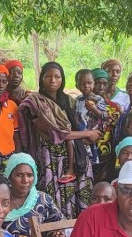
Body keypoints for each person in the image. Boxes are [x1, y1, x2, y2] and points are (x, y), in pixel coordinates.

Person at [18, 62, 99, 218]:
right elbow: (56, 134)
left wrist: (87, 135)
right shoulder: (35, 103)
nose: (53, 80)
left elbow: (79, 124)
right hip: (51, 157)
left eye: (57, 76)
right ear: (41, 79)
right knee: (55, 197)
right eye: (48, 76)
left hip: (76, 154)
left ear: (62, 79)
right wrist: (87, 134)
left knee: (80, 194)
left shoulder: (70, 101)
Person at [2, 153, 65, 237]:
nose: (25, 180)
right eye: (19, 175)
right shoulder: (0, 200)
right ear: (10, 176)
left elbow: (60, 226)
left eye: (30, 175)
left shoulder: (42, 200)